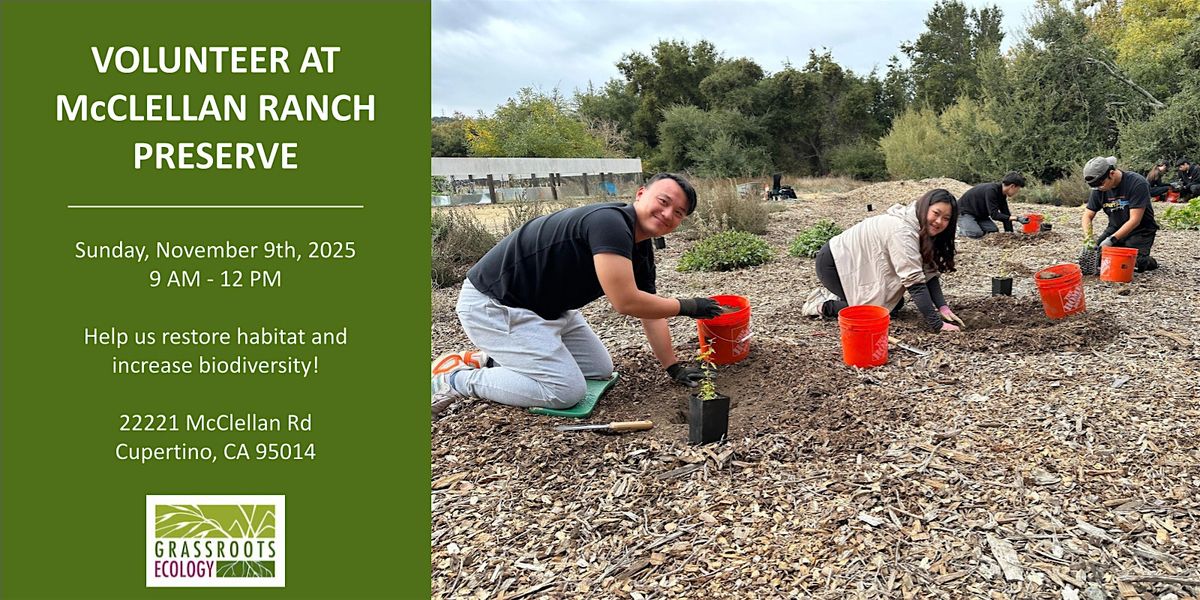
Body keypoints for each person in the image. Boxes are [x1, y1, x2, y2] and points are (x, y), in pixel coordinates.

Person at [431, 173, 725, 416]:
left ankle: (494, 359)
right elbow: (625, 302)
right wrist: (689, 307)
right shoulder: (609, 223)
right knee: (564, 392)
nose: (667, 214)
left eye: (678, 213)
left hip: (548, 309)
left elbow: (649, 311)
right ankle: (456, 379)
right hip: (494, 305)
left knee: (599, 369)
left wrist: (672, 367)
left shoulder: (640, 249)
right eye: (663, 202)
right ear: (640, 194)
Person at [801, 189, 965, 333]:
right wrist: (937, 325)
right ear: (924, 208)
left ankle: (844, 296)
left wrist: (942, 307)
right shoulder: (903, 231)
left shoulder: (920, 228)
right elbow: (914, 282)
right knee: (876, 313)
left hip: (858, 264)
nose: (939, 221)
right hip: (834, 264)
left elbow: (928, 273)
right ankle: (821, 305)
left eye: (946, 218)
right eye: (936, 213)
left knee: (895, 304)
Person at [1081, 156, 1159, 272]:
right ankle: (1119, 250)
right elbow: (1087, 215)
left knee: (1132, 264)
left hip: (1140, 229)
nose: (1098, 188)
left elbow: (1135, 220)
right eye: (1094, 186)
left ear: (1111, 174)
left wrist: (1111, 241)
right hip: (1115, 227)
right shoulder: (1099, 189)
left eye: (1100, 184)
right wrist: (1088, 238)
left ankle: (1146, 259)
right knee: (1094, 258)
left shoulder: (1137, 183)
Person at [956, 171, 1028, 238]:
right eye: (1017, 189)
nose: (1017, 192)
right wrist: (1017, 218)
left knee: (993, 231)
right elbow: (994, 215)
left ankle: (972, 225)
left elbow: (1006, 213)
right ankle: (961, 229)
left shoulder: (1002, 194)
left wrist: (1009, 234)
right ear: (1012, 186)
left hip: (980, 216)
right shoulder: (991, 190)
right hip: (965, 212)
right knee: (976, 233)